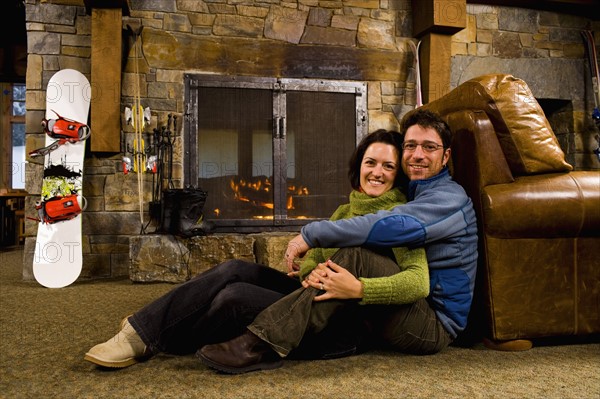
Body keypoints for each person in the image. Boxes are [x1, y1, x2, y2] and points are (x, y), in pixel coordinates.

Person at [84, 129, 428, 368]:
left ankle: (159, 334)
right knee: (234, 270)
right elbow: (316, 267)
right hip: (307, 296)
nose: (377, 173)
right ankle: (139, 331)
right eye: (371, 162)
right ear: (359, 166)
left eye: (388, 166)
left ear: (398, 176)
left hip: (340, 321)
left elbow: (416, 282)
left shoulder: (400, 218)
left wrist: (358, 288)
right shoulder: (346, 210)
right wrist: (308, 270)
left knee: (233, 298)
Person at [197, 108, 478, 374]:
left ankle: (262, 343)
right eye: (410, 145)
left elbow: (393, 229)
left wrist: (315, 239)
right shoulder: (415, 193)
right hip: (403, 308)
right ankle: (160, 333)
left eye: (429, 147)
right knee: (235, 276)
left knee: (355, 255)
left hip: (434, 325)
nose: (417, 154)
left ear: (445, 156)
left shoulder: (446, 199)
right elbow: (320, 261)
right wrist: (313, 269)